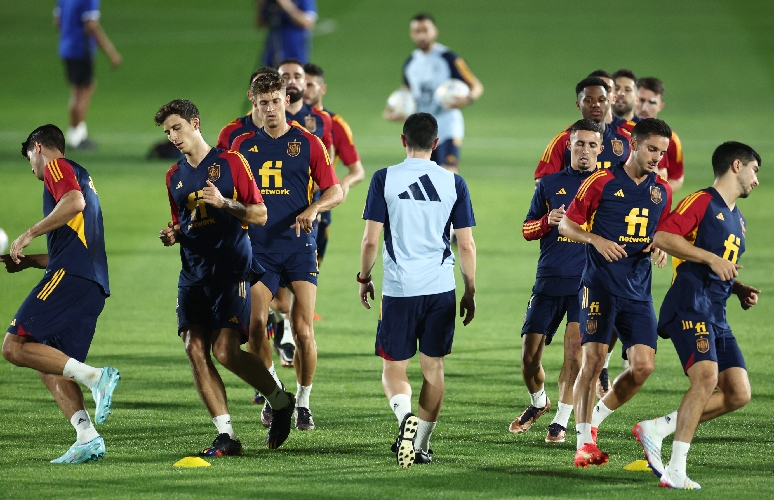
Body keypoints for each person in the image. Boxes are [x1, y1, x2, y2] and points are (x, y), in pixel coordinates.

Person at [155, 99, 295, 453]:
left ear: (195, 123)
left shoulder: (232, 162)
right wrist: (173, 234)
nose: (173, 136)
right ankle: (226, 435)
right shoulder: (173, 176)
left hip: (231, 270)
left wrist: (226, 204)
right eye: (167, 132)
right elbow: (183, 222)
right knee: (194, 346)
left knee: (226, 351)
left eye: (177, 128)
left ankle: (280, 401)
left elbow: (260, 214)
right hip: (192, 273)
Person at [633, 142, 760, 490]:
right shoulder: (702, 201)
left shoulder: (739, 218)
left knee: (738, 393)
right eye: (754, 170)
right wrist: (710, 258)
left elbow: (719, 263)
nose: (757, 180)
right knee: (705, 378)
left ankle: (657, 428)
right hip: (689, 305)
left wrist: (737, 287)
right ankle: (676, 469)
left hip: (716, 311)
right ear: (736, 165)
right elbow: (662, 236)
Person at [359, 112, 477, 468]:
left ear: (402, 140)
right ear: (437, 144)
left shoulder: (385, 178)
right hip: (440, 288)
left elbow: (370, 239)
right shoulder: (453, 182)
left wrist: (364, 276)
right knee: (434, 369)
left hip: (399, 289)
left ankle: (403, 419)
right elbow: (466, 245)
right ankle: (421, 444)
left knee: (394, 369)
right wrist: (469, 289)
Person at [558, 118, 673, 468]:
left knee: (643, 367)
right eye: (652, 149)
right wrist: (595, 239)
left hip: (638, 291)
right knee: (591, 362)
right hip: (600, 286)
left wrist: (661, 247)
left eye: (662, 152)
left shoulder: (662, 191)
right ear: (634, 143)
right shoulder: (601, 181)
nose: (657, 157)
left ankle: (593, 421)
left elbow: (663, 232)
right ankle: (583, 443)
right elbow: (567, 224)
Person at [231, 73, 343, 431]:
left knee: (303, 329)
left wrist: (314, 209)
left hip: (298, 249)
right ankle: (274, 393)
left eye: (275, 101)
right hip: (258, 250)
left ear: (285, 99)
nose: (270, 109)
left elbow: (335, 190)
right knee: (255, 327)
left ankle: (304, 402)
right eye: (263, 103)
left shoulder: (308, 143)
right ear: (254, 102)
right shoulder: (242, 146)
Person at [1, 124, 119, 463]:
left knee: (14, 346)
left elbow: (74, 202)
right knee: (48, 360)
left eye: (29, 159)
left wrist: (28, 234)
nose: (32, 168)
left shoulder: (57, 167)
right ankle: (87, 436)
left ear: (38, 148)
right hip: (90, 282)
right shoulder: (82, 175)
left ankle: (97, 377)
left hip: (72, 276)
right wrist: (30, 262)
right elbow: (76, 243)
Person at [510, 119, 603, 443]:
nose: (585, 151)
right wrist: (545, 222)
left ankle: (561, 421)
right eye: (580, 144)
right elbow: (526, 229)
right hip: (549, 280)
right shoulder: (549, 184)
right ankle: (539, 402)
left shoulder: (608, 186)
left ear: (600, 150)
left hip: (586, 283)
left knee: (574, 353)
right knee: (528, 356)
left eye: (592, 145)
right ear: (569, 146)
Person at [383, 13, 483, 173]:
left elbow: (476, 86)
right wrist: (394, 108)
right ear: (411, 34)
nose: (421, 35)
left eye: (425, 30)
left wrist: (468, 98)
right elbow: (407, 92)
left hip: (447, 124)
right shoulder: (410, 63)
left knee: (449, 173)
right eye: (417, 31)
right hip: (421, 129)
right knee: (423, 175)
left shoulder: (448, 58)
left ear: (434, 31)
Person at [303, 62, 366, 267]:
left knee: (309, 273)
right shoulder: (285, 121)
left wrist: (345, 183)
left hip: (320, 203)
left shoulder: (335, 124)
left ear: (323, 89)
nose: (304, 89)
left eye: (310, 85)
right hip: (287, 199)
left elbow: (357, 171)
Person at [535, 77, 631, 183]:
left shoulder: (626, 139)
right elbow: (542, 182)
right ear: (578, 105)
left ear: (608, 103)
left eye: (601, 100)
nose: (596, 104)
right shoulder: (563, 140)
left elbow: (641, 179)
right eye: (589, 100)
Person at [54, 0, 122, 150]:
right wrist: (110, 52)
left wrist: (70, 32)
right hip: (80, 49)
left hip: (66, 47)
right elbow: (91, 25)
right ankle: (77, 138)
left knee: (76, 91)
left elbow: (57, 21)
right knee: (85, 90)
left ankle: (75, 134)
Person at [631, 77, 685, 191]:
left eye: (652, 102)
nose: (644, 107)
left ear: (660, 106)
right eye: (641, 100)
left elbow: (677, 178)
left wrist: (657, 195)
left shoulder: (671, 139)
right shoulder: (618, 131)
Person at [278, 59, 333, 155]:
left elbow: (328, 148)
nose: (291, 81)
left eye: (297, 77)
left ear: (304, 84)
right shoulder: (261, 117)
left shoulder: (322, 118)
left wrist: (326, 169)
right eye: (285, 77)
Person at [217, 67, 280, 150]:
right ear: (250, 95)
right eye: (259, 87)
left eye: (272, 89)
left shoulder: (296, 133)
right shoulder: (230, 133)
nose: (266, 94)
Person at [257, 0, 317, 67]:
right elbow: (259, 24)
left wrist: (286, 5)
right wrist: (261, 5)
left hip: (294, 51)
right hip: (273, 51)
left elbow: (308, 23)